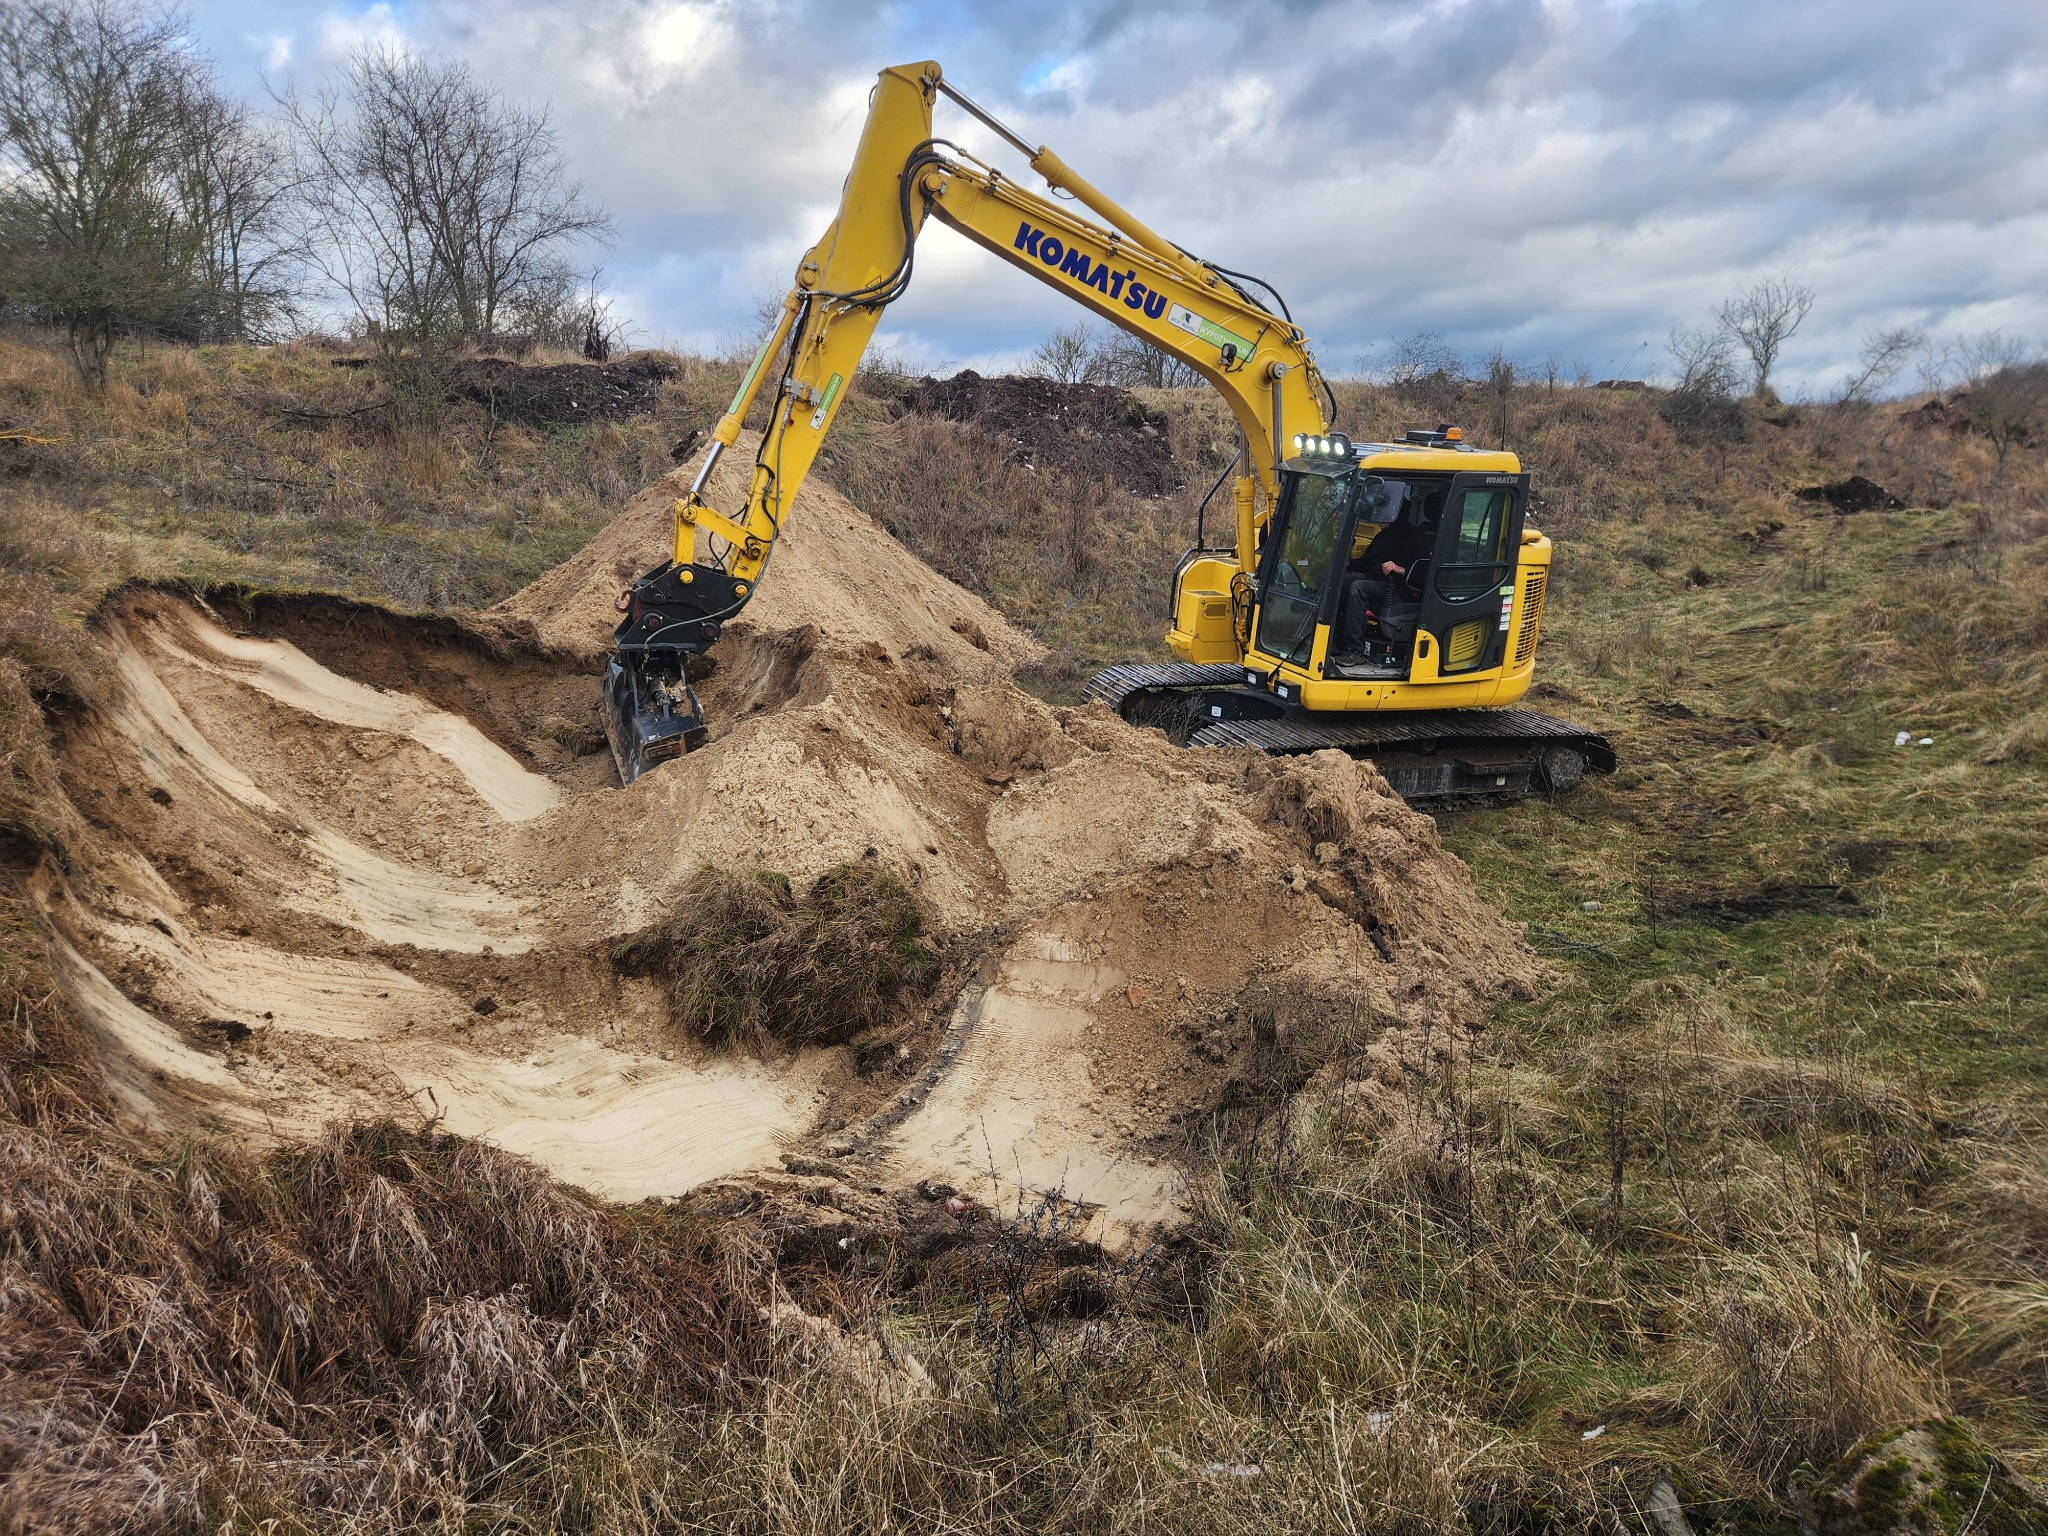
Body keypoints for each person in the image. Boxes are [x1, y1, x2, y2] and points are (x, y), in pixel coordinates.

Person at [1338, 480, 1427, 654]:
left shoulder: (1417, 538)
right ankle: (1334, 637)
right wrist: (1345, 560)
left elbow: (1424, 573)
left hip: (1396, 587)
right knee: (1338, 581)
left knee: (1359, 587)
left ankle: (1354, 649)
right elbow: (1365, 564)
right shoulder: (1382, 536)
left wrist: (1400, 569)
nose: (1379, 519)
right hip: (1375, 580)